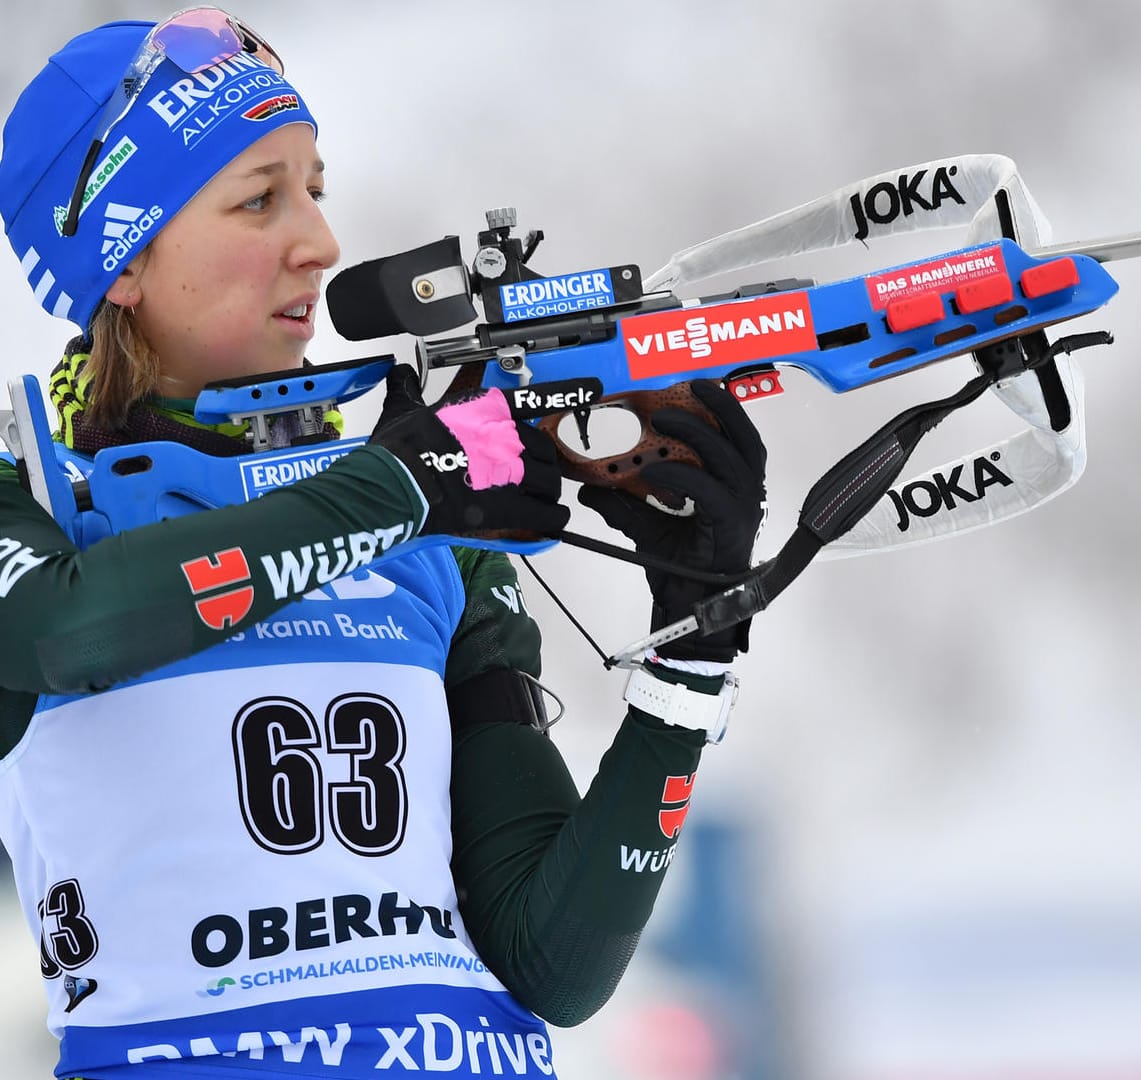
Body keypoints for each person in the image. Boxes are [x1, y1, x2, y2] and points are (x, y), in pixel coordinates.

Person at [0, 10, 765, 1078]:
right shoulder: (34, 499)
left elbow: (553, 963)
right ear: (121, 261)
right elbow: (69, 627)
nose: (318, 242)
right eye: (259, 198)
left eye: (316, 190)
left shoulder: (423, 527)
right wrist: (406, 482)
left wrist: (697, 638)